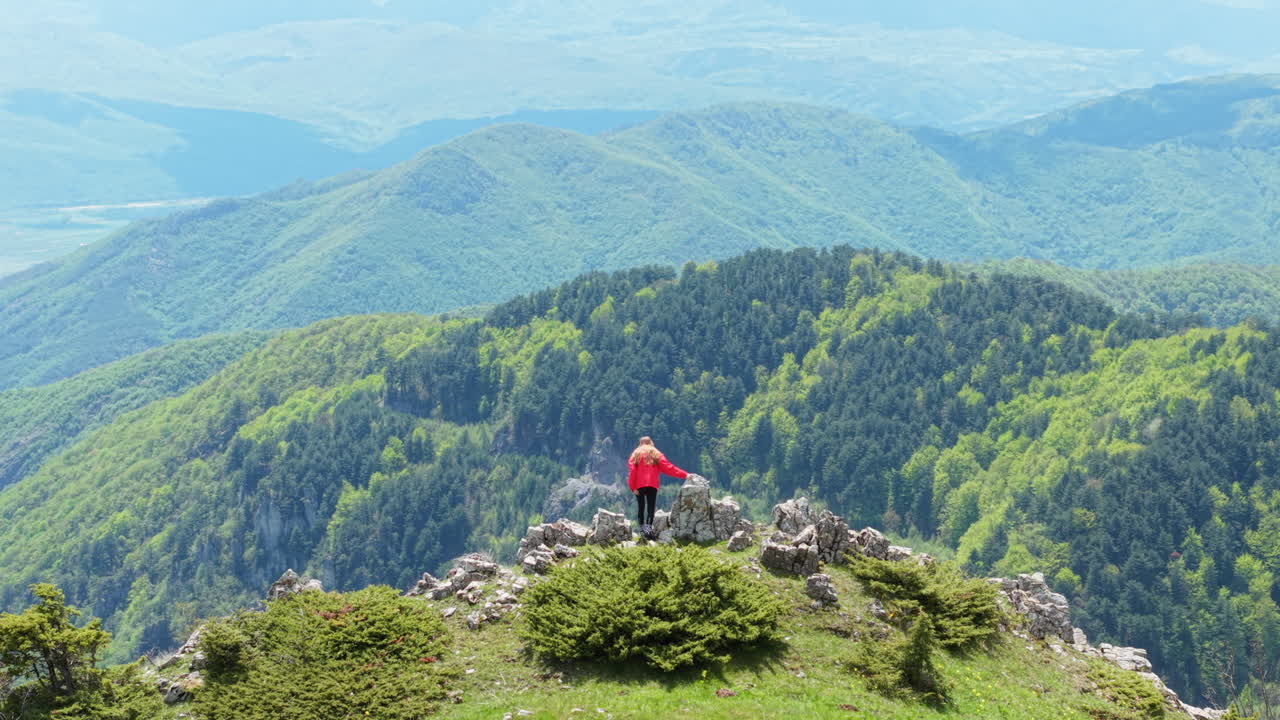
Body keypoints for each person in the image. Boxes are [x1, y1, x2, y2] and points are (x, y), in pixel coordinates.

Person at [627, 436, 689, 540]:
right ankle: (648, 531)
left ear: (640, 443)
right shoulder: (656, 453)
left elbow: (632, 472)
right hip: (652, 484)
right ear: (651, 442)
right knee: (651, 508)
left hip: (639, 485)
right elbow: (669, 468)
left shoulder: (635, 454)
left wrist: (632, 487)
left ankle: (643, 531)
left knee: (641, 508)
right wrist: (685, 475)